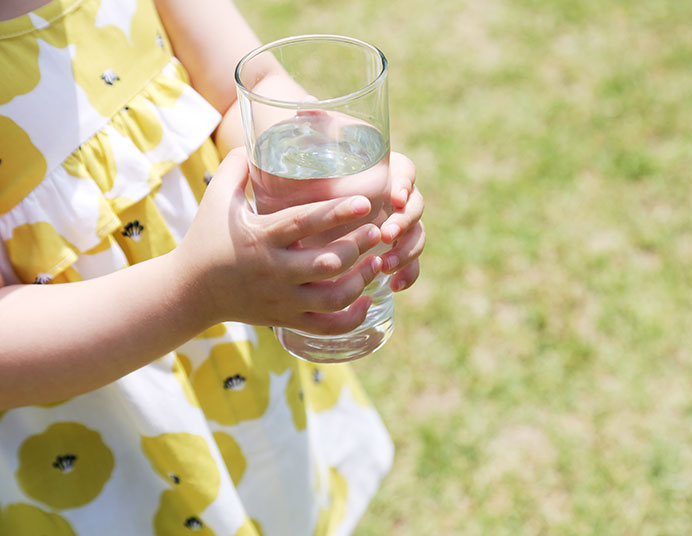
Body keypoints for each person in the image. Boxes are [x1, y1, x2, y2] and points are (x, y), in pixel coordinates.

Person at [0, 0, 425, 534]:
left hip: (230, 362)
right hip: (99, 434)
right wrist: (192, 292)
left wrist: (338, 185)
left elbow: (246, 87)